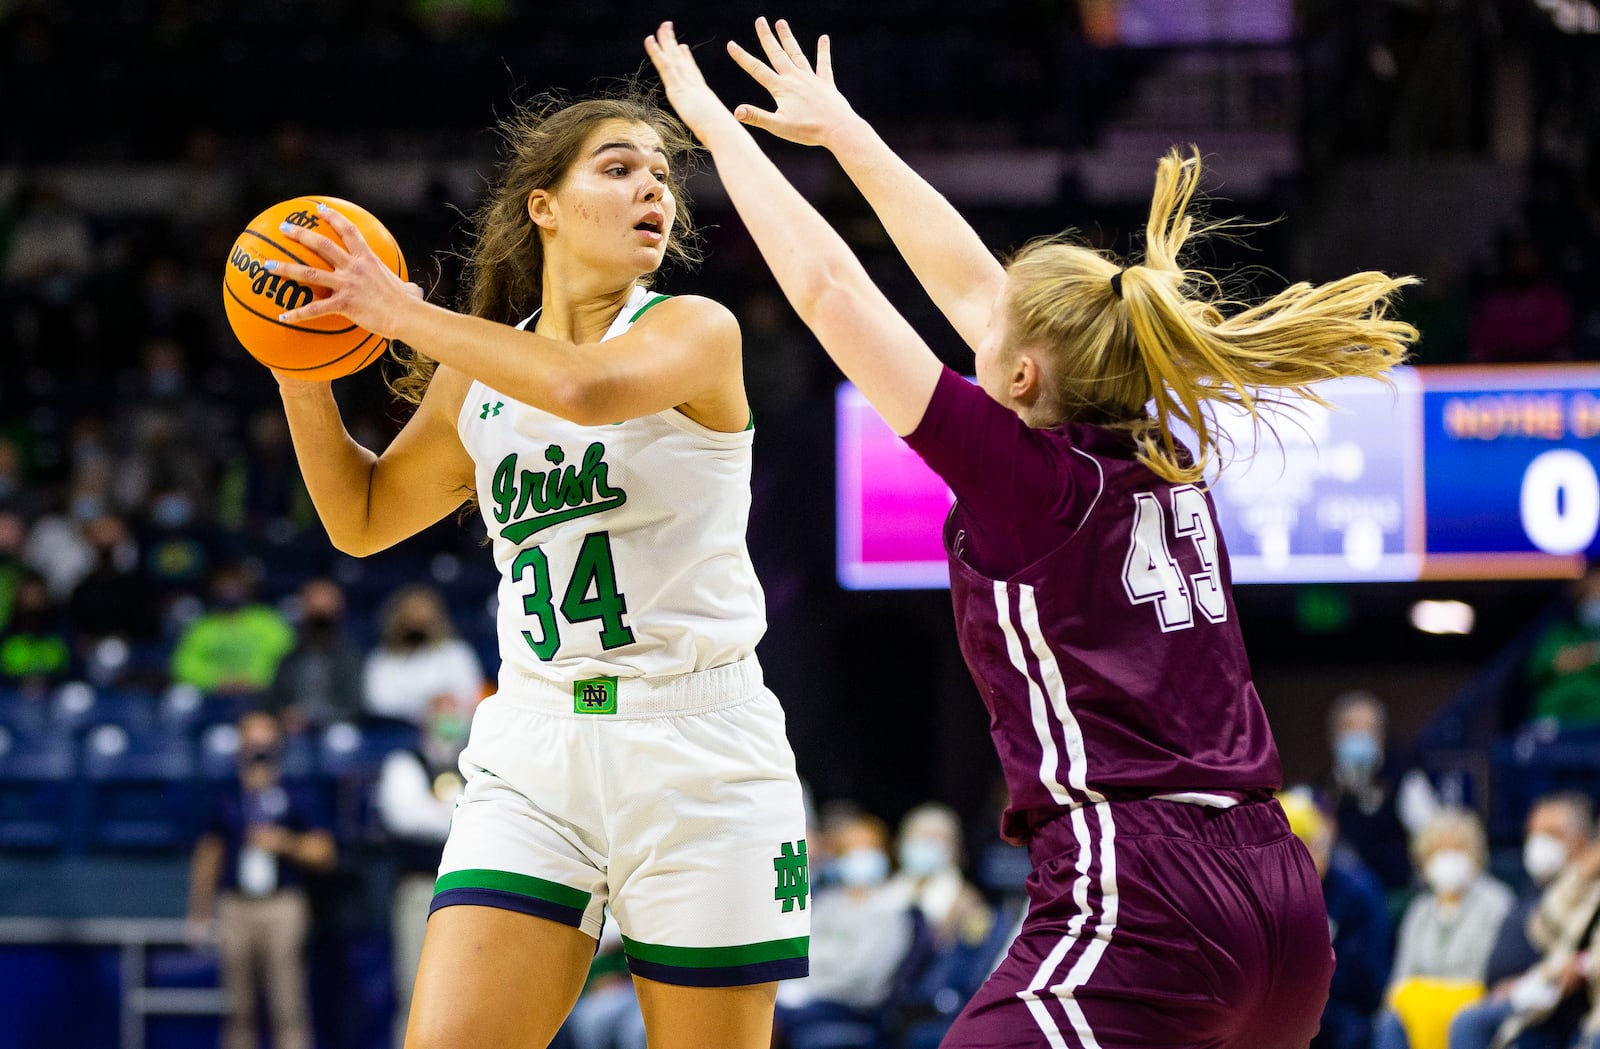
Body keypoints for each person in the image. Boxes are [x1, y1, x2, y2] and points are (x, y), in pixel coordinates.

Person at [644, 18, 1417, 1048]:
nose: (975, 328)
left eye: (992, 340)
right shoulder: (1156, 440)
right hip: (1278, 894)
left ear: (1019, 379)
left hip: (1141, 881)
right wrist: (846, 136)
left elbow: (831, 292)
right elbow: (972, 286)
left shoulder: (1031, 483)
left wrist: (710, 128)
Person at [260, 85, 808, 1049]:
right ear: (542, 206)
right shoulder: (482, 368)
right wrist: (298, 364)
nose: (655, 188)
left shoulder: (695, 328)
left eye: (663, 173)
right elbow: (365, 516)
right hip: (533, 745)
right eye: (620, 166)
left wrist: (394, 314)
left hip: (699, 751)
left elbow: (585, 390)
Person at [186, 708, 337, 1049]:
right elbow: (209, 853)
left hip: (282, 903)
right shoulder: (225, 795)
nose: (259, 754)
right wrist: (199, 911)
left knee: (288, 1006)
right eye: (252, 745)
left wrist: (285, 842)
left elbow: (324, 852)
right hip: (236, 905)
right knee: (238, 1008)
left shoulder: (296, 793)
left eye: (266, 745)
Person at [1450, 794, 1598, 1049]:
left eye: (1552, 833)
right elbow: (1544, 927)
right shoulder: (1576, 887)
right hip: (1545, 995)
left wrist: (1584, 965)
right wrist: (1582, 875)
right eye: (1534, 833)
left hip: (1584, 1004)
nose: (1539, 843)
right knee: (1468, 1023)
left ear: (1583, 841)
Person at [773, 811, 921, 1049]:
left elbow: (864, 975)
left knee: (778, 1021)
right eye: (851, 850)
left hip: (853, 1006)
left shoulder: (892, 907)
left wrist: (810, 986)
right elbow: (801, 953)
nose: (859, 857)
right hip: (805, 995)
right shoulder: (826, 901)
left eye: (868, 848)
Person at [373, 692, 470, 1048]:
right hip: (420, 889)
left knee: (467, 993)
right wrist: (460, 814)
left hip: (468, 890)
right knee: (416, 990)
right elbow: (405, 817)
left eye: (454, 712)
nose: (449, 720)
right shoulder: (405, 762)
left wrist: (440, 810)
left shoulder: (474, 763)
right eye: (440, 712)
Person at [1374, 807, 1515, 1049]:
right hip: (1420, 1010)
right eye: (1439, 851)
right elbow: (1402, 978)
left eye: (1458, 850)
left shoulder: (1498, 903)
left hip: (1473, 1007)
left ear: (1475, 855)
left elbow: (1489, 975)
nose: (1448, 859)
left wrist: (1435, 999)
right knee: (1389, 1022)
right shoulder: (1420, 910)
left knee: (1466, 1022)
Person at [1280, 790, 1395, 1049]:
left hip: (1345, 1009)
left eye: (1306, 844)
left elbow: (1367, 975)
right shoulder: (1272, 891)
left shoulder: (1357, 890)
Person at [1324, 688, 1440, 892]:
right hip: (1343, 895)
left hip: (1394, 892)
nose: (1360, 735)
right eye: (1350, 727)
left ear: (1380, 735)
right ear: (1334, 736)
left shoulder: (1404, 775)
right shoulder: (1325, 786)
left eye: (1369, 728)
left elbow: (1431, 832)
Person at [362, 583, 485, 727]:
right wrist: (428, 704)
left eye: (423, 617)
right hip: (400, 736)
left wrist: (444, 704)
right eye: (410, 616)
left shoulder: (457, 653)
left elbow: (472, 697)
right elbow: (379, 706)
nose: (417, 623)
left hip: (454, 734)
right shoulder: (381, 659)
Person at [169, 562, 294, 697]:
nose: (230, 592)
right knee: (181, 695)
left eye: (235, 586)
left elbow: (286, 658)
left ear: (247, 589)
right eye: (224, 586)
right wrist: (216, 680)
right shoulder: (203, 626)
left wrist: (254, 678)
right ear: (214, 589)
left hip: (261, 689)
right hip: (211, 691)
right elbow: (183, 665)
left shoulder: (267, 621)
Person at [887, 801, 992, 952]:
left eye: (937, 839)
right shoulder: (885, 890)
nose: (927, 845)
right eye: (921, 837)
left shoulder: (967, 900)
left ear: (956, 849)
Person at [268, 577, 365, 734]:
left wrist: (314, 719)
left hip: (339, 729)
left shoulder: (352, 656)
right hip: (292, 730)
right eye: (314, 610)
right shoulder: (289, 658)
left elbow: (355, 705)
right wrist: (285, 715)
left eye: (325, 613)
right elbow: (273, 700)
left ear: (339, 611)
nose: (320, 615)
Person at [1526, 563, 1600, 734]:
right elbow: (1549, 664)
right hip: (1558, 731)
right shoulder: (1558, 636)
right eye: (1592, 596)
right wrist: (1592, 654)